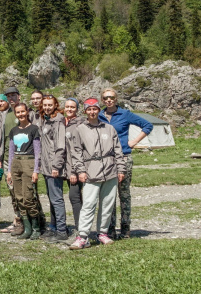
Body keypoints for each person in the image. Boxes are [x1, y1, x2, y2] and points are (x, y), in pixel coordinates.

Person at [68, 97, 126, 249]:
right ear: (85, 111)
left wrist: (121, 169)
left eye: (95, 109)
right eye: (89, 109)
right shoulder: (80, 129)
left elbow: (118, 150)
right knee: (88, 204)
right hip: (91, 171)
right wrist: (80, 170)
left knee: (107, 204)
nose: (92, 112)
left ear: (99, 110)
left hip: (110, 170)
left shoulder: (109, 128)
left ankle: (102, 233)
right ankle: (83, 236)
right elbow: (76, 152)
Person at [98, 88, 152, 239]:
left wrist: (134, 141)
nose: (109, 100)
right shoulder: (99, 115)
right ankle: (110, 229)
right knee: (108, 195)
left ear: (116, 99)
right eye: (106, 98)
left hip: (124, 157)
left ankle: (125, 229)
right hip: (106, 159)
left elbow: (147, 125)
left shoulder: (125, 114)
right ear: (102, 100)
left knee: (124, 194)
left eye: (112, 97)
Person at [5, 102, 42, 240]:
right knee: (18, 197)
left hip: (29, 162)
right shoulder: (13, 131)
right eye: (18, 112)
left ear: (27, 112)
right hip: (16, 164)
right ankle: (27, 228)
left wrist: (36, 170)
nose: (20, 114)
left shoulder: (33, 129)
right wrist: (9, 171)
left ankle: (36, 227)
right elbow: (11, 153)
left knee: (29, 197)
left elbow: (38, 151)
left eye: (22, 111)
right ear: (15, 114)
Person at [38, 94, 69, 241]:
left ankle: (62, 230)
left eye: (50, 105)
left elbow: (60, 146)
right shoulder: (46, 120)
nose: (47, 107)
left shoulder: (58, 121)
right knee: (51, 198)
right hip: (46, 166)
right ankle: (53, 226)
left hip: (53, 166)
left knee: (56, 199)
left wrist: (56, 166)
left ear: (55, 105)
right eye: (45, 105)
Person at [0, 89, 21, 233]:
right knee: (12, 189)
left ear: (19, 96)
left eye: (13, 95)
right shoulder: (5, 114)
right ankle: (17, 220)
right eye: (8, 96)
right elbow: (2, 137)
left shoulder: (24, 112)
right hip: (6, 158)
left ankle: (29, 222)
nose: (10, 98)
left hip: (21, 156)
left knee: (23, 190)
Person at [62, 98, 85, 238]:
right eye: (67, 107)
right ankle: (80, 226)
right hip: (65, 167)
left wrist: (75, 171)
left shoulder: (80, 124)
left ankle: (79, 228)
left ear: (77, 109)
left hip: (75, 168)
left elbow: (77, 150)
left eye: (72, 107)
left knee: (74, 197)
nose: (69, 109)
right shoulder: (63, 123)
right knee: (76, 197)